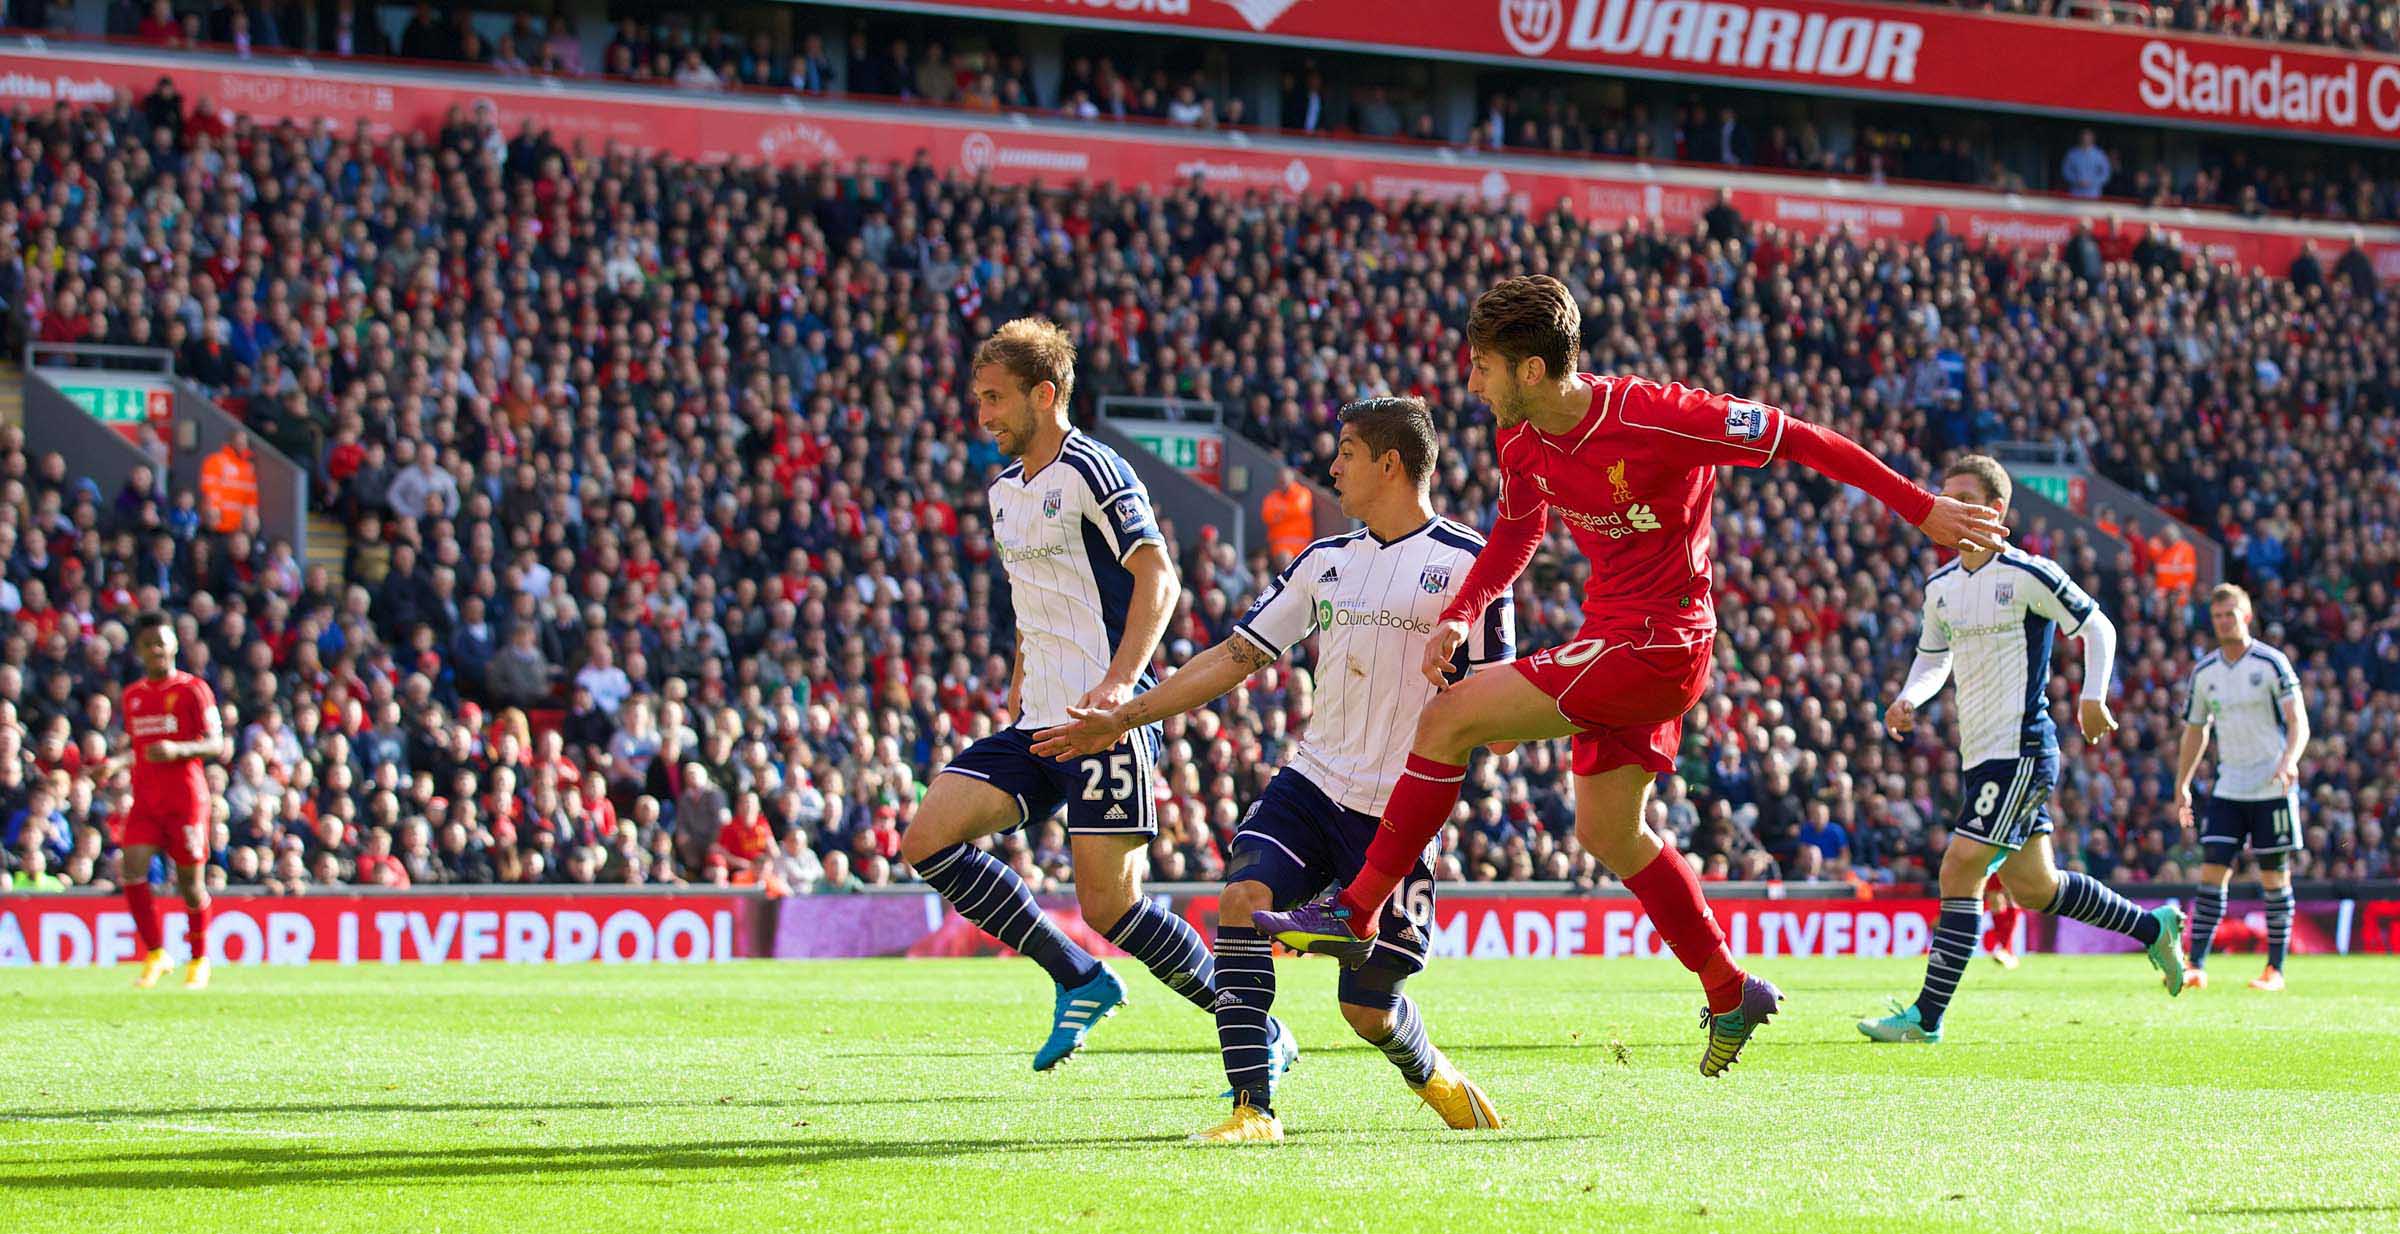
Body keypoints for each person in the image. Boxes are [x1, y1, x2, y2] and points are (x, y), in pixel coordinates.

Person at [1258, 275, 2010, 1076]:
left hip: (1664, 641)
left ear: (1534, 372)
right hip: (1610, 635)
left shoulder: (1660, 415)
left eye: (1482, 367)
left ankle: (1358, 907)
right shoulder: (1520, 440)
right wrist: (1462, 609)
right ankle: (1729, 987)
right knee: (1608, 832)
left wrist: (1920, 506)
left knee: (1449, 718)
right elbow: (1516, 533)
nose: (1470, 383)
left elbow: (1799, 437)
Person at [1036, 396, 1506, 1143]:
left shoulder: (1470, 565)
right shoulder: (1324, 561)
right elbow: (1235, 656)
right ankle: (1253, 1108)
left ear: (1390, 463)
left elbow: (1500, 703)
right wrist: (1125, 714)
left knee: (1366, 1010)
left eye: (1347, 451)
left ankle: (1433, 1074)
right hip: (1313, 783)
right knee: (1241, 899)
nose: (1333, 466)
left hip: (1399, 809)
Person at [898, 318, 1239, 1072]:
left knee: (1110, 907)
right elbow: (1039, 591)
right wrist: (1023, 664)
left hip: (1105, 722)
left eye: (994, 399)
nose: (982, 415)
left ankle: (1249, 1028)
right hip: (1038, 724)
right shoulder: (1002, 492)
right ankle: (1078, 976)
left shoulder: (1095, 468)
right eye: (979, 398)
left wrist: (1119, 688)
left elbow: (1160, 577)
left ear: (1044, 395)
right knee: (926, 840)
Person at [1860, 456, 2186, 1045]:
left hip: (2024, 748)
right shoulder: (1941, 589)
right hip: (1979, 753)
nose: (1950, 505)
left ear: (1995, 511)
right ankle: (2153, 927)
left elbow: (2097, 626)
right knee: (2036, 887)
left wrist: (2092, 695)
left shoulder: (2028, 574)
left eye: (1964, 496)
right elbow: (1934, 658)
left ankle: (1925, 1018)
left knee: (1960, 867)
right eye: (1945, 495)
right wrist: (1910, 696)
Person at [2173, 584, 2309, 992]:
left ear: (2246, 617)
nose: (2224, 622)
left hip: (2271, 786)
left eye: (2230, 614)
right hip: (2229, 787)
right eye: (2217, 616)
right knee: (2212, 873)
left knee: (2274, 877)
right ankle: (2195, 965)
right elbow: (2195, 731)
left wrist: (2289, 760)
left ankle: (2275, 970)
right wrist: (2182, 783)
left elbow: (2297, 720)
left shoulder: (2271, 663)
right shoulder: (2206, 673)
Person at [115, 611, 231, 989]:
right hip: (146, 800)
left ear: (174, 645)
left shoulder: (194, 689)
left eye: (161, 643)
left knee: (190, 885)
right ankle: (156, 953)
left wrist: (178, 749)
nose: (155, 650)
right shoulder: (132, 696)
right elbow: (141, 749)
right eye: (148, 645)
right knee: (131, 868)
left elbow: (217, 744)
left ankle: (199, 960)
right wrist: (114, 763)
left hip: (184, 798)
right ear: (139, 650)